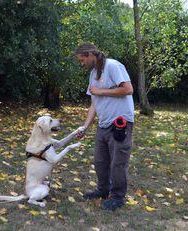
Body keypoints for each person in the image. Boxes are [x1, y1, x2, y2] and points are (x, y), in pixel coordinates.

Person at [75, 42, 135, 211]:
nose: (82, 64)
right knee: (100, 161)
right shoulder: (93, 74)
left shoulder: (113, 66)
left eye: (82, 60)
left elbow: (128, 89)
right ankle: (103, 191)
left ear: (89, 54)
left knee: (118, 163)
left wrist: (101, 91)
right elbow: (94, 104)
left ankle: (118, 197)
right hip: (103, 124)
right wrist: (85, 126)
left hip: (120, 123)